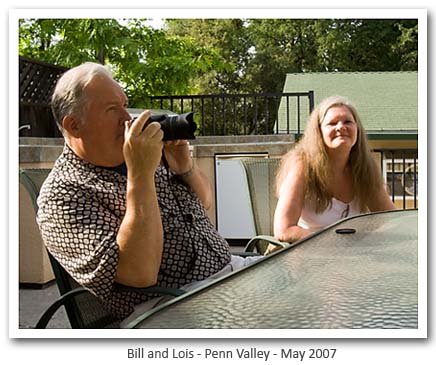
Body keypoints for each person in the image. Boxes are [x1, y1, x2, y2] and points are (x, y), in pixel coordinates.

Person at [36, 62, 259, 321]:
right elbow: (140, 273)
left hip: (229, 274)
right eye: (111, 109)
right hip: (166, 307)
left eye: (124, 105)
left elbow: (206, 202)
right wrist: (140, 174)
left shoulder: (149, 153)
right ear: (74, 125)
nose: (127, 118)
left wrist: (185, 167)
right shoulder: (61, 196)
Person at [273, 95, 396, 244]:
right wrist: (331, 243)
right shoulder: (302, 164)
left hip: (356, 256)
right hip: (309, 256)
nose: (341, 127)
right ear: (319, 132)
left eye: (348, 122)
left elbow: (391, 219)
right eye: (332, 123)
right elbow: (284, 230)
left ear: (357, 129)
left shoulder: (364, 167)